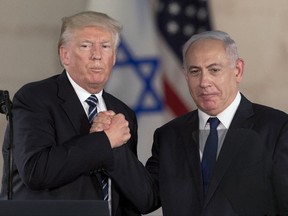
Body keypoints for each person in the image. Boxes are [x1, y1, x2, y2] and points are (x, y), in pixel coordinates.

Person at [99, 30, 288, 215]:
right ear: (186, 75)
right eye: (195, 71)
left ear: (237, 70)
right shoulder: (169, 136)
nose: (204, 81)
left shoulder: (277, 129)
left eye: (214, 70)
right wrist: (111, 144)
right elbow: (146, 199)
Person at [0, 11, 141, 216]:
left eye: (105, 46)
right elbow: (36, 171)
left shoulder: (123, 112)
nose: (97, 54)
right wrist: (104, 141)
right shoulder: (34, 98)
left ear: (114, 57)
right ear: (65, 55)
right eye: (86, 46)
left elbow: (128, 196)